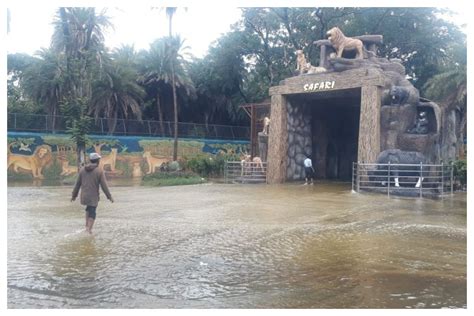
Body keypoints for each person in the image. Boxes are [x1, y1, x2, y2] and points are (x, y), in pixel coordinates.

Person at [71, 152, 114, 234]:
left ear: (90, 160)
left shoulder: (82, 170)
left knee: (88, 208)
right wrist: (109, 196)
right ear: (98, 161)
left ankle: (87, 226)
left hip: (84, 196)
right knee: (92, 211)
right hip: (93, 196)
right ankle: (89, 229)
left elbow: (77, 184)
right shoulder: (99, 171)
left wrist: (74, 195)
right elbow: (104, 186)